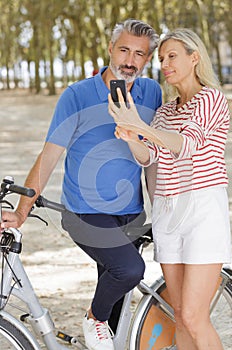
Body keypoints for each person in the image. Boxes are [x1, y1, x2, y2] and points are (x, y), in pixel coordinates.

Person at [1, 19, 162, 350]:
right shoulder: (76, 95)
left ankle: (104, 335)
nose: (130, 61)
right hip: (84, 214)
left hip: (131, 214)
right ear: (110, 49)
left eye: (140, 54)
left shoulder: (152, 93)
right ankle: (92, 317)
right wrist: (20, 213)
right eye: (124, 50)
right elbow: (48, 158)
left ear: (148, 59)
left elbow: (152, 157)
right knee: (130, 270)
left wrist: (160, 210)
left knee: (116, 304)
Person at [108, 28, 231, 350]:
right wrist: (133, 136)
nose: (164, 63)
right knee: (178, 313)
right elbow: (152, 156)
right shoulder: (164, 111)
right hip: (167, 210)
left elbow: (186, 144)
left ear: (195, 58)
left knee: (194, 315)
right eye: (161, 58)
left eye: (172, 56)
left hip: (202, 211)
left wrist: (142, 127)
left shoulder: (212, 99)